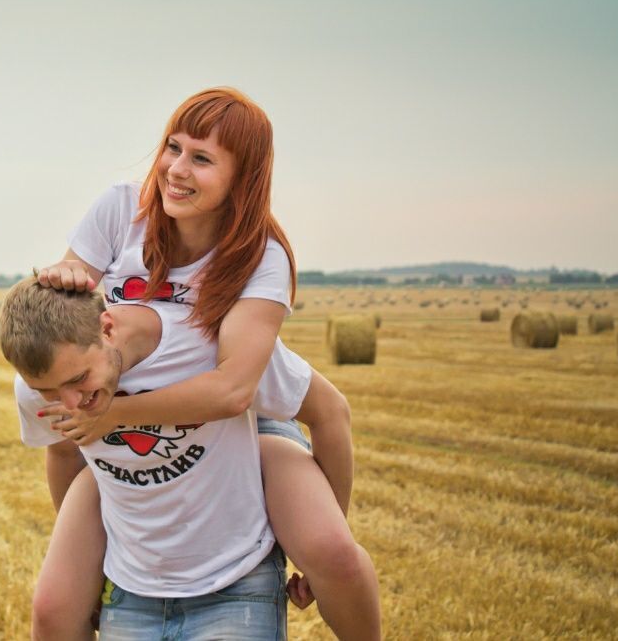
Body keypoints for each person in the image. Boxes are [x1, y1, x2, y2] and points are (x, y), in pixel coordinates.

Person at [21, 87, 380, 639]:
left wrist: (113, 415)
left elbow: (239, 391)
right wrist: (64, 277)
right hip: (128, 395)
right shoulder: (122, 210)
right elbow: (64, 320)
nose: (176, 169)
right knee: (53, 605)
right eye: (173, 147)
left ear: (244, 178)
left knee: (336, 555)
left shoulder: (259, 257)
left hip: (239, 407)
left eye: (202, 159)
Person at [0, 279, 313, 639]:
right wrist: (87, 560)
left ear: (107, 328)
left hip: (235, 576)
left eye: (79, 379)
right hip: (133, 588)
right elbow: (62, 453)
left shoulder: (209, 348)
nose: (68, 403)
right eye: (47, 391)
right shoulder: (40, 391)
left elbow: (324, 408)